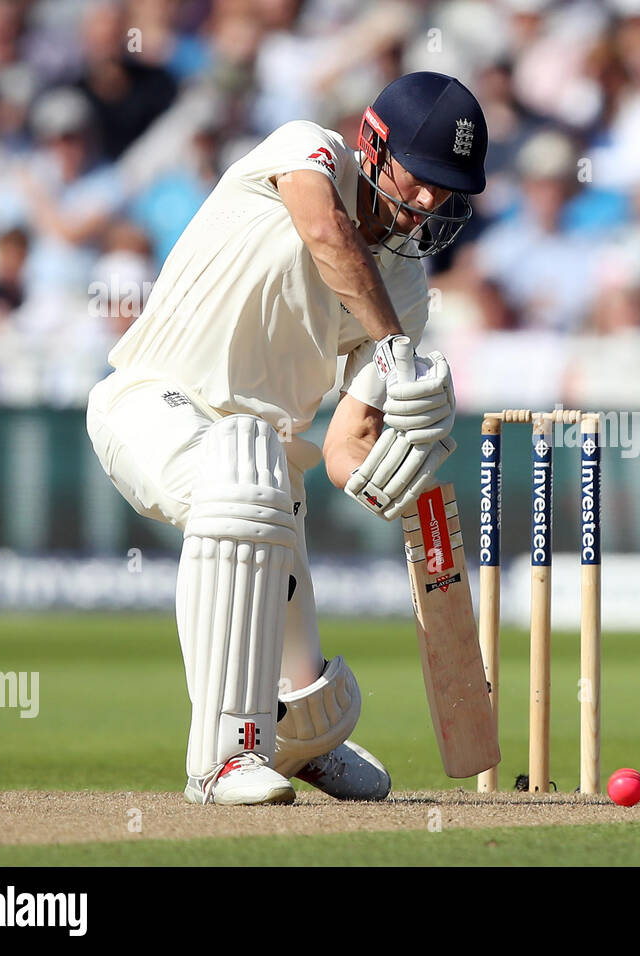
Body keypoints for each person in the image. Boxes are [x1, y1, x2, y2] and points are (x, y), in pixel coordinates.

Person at [86, 72, 487, 805]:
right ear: (374, 145)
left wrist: (401, 464)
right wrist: (394, 347)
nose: (430, 199)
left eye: (447, 186)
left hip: (260, 471)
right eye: (422, 176)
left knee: (266, 471)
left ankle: (301, 740)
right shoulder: (308, 151)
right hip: (147, 401)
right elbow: (326, 233)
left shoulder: (408, 290)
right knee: (248, 468)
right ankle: (224, 756)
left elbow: (342, 450)